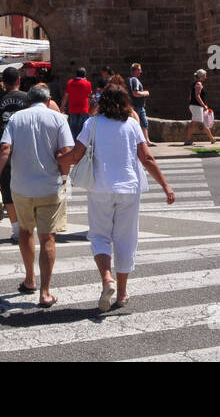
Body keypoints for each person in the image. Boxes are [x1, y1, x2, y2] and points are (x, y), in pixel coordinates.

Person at [58, 85, 175, 312]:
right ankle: (121, 293)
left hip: (100, 188)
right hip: (129, 189)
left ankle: (106, 279)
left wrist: (58, 161)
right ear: (125, 102)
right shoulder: (132, 125)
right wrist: (166, 186)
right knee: (126, 240)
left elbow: (76, 156)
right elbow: (147, 158)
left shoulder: (91, 124)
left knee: (99, 236)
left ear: (101, 102)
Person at [0, 85, 75, 307]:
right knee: (47, 238)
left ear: (28, 102)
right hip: (50, 187)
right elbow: (66, 153)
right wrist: (64, 178)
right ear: (48, 101)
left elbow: (5, 149)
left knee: (25, 232)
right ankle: (45, 293)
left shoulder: (17, 119)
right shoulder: (58, 119)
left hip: (21, 188)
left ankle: (30, 279)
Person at [0, 66, 31, 240]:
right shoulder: (28, 98)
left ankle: (16, 229)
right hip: (26, 149)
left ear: (3, 83)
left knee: (8, 191)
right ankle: (27, 225)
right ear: (19, 80)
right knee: (27, 187)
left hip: (5, 150)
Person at [185, 69, 215, 145]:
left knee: (204, 122)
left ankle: (211, 138)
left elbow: (190, 96)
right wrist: (204, 105)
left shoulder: (195, 83)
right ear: (201, 76)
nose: (206, 77)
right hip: (197, 106)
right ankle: (187, 140)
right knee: (194, 123)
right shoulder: (198, 84)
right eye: (205, 75)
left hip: (195, 106)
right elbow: (197, 96)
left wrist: (191, 105)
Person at [64, 67, 93, 138]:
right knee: (83, 128)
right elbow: (90, 95)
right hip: (84, 108)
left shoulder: (70, 82)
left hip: (72, 108)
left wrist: (62, 107)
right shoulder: (87, 83)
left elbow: (66, 96)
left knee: (72, 128)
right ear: (84, 74)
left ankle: (73, 143)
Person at [127, 63, 151, 135]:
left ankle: (146, 141)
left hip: (138, 106)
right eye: (139, 70)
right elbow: (135, 93)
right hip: (136, 106)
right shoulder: (134, 80)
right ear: (135, 70)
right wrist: (146, 93)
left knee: (144, 123)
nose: (141, 71)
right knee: (136, 123)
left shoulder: (129, 79)